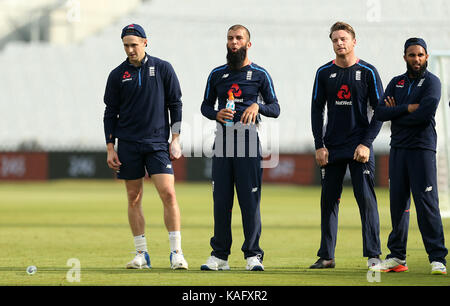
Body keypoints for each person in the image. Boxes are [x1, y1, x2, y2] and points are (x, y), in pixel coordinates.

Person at [103, 23, 188, 270]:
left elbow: (176, 104)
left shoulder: (163, 68)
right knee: (133, 197)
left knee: (169, 194)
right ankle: (142, 254)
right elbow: (110, 112)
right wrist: (110, 146)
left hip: (157, 144)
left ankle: (176, 253)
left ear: (145, 42)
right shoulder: (117, 75)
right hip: (128, 144)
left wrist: (176, 137)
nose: (130, 49)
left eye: (134, 44)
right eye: (126, 45)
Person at [200, 24, 280, 271]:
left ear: (248, 43)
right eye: (230, 38)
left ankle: (253, 255)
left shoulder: (259, 74)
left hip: (248, 144)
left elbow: (275, 108)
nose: (234, 42)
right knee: (221, 201)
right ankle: (220, 256)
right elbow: (205, 106)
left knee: (249, 201)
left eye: (239, 38)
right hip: (222, 144)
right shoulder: (216, 74)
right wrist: (216, 113)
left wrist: (259, 107)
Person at [310, 22, 383, 269]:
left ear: (353, 41)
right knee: (329, 200)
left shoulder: (368, 72)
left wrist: (366, 143)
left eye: (343, 39)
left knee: (365, 199)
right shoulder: (323, 73)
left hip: (359, 148)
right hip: (332, 147)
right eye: (335, 40)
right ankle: (327, 256)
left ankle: (374, 256)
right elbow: (316, 110)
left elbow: (380, 112)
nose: (339, 43)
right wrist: (319, 145)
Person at [372, 38, 448, 275]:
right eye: (412, 55)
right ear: (404, 57)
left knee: (427, 205)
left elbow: (425, 115)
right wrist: (406, 108)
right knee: (398, 205)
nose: (416, 59)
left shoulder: (432, 82)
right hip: (399, 150)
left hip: (422, 150)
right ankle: (396, 256)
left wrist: (397, 113)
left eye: (420, 55)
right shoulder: (397, 82)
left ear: (426, 57)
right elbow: (380, 112)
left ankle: (437, 258)